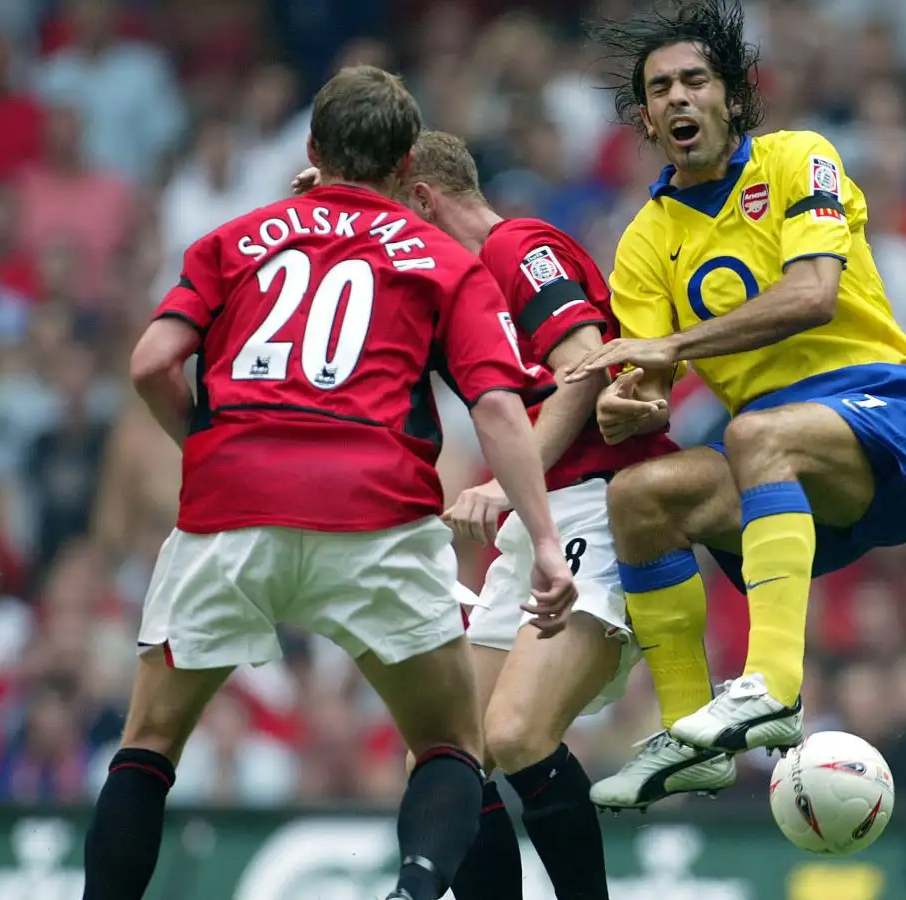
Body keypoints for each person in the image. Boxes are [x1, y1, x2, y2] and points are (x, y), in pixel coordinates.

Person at [82, 66, 576, 900]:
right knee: (452, 744)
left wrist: (206, 444)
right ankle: (415, 889)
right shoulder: (443, 261)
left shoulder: (231, 238)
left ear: (312, 149)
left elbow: (151, 363)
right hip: (374, 513)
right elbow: (495, 405)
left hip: (229, 510)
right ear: (410, 160)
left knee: (149, 744)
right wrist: (546, 545)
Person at [572, 0, 906, 809]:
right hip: (778, 462)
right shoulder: (645, 240)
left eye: (694, 81)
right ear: (645, 118)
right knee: (639, 497)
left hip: (883, 413)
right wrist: (624, 407)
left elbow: (813, 295)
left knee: (754, 432)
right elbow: (646, 390)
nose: (678, 98)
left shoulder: (797, 160)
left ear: (733, 96)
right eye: (661, 88)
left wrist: (672, 348)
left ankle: (773, 683)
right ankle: (690, 737)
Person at [293, 128, 684, 900]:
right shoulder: (448, 289)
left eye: (390, 217)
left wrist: (509, 483)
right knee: (445, 755)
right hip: (541, 524)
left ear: (425, 200)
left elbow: (583, 366)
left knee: (515, 734)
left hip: (600, 508)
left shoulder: (518, 248)